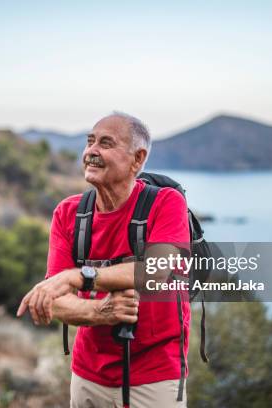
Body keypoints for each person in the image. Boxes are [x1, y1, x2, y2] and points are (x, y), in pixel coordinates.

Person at [17, 112, 190, 407]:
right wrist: (101, 311)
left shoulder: (166, 203)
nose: (91, 152)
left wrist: (79, 276)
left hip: (156, 376)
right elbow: (55, 300)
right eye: (90, 141)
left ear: (137, 159)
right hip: (88, 374)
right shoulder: (68, 213)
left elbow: (157, 269)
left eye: (106, 143)